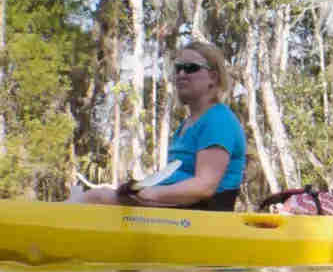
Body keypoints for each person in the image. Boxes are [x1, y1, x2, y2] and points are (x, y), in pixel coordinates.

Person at [74, 40, 246, 211]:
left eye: (191, 68)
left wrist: (149, 194)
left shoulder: (218, 120)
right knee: (95, 196)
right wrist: (139, 190)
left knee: (96, 198)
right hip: (176, 211)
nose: (181, 74)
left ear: (213, 77)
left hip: (199, 215)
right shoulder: (188, 124)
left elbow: (204, 186)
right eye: (178, 68)